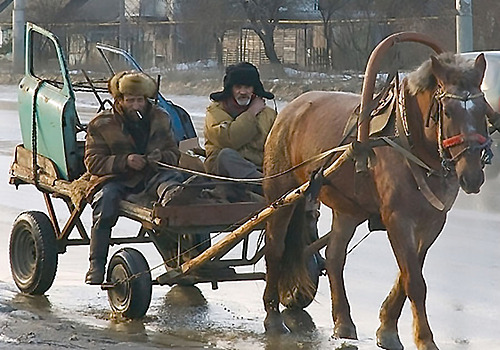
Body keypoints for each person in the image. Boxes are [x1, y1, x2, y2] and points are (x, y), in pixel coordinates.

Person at [83, 71, 185, 284]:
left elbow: (173, 153)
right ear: (119, 100)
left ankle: (179, 253)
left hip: (151, 175)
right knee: (105, 202)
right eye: (130, 100)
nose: (135, 105)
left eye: (140, 100)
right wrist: (125, 161)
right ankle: (97, 264)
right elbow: (93, 162)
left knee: (172, 180)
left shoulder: (160, 118)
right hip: (115, 179)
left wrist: (160, 158)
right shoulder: (101, 124)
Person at [203, 62, 277, 200]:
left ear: (254, 88)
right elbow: (231, 139)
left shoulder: (268, 114)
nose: (243, 92)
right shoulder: (215, 112)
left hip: (260, 170)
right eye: (238, 87)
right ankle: (266, 186)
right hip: (223, 173)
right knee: (226, 155)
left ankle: (267, 183)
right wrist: (251, 113)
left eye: (247, 87)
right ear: (230, 88)